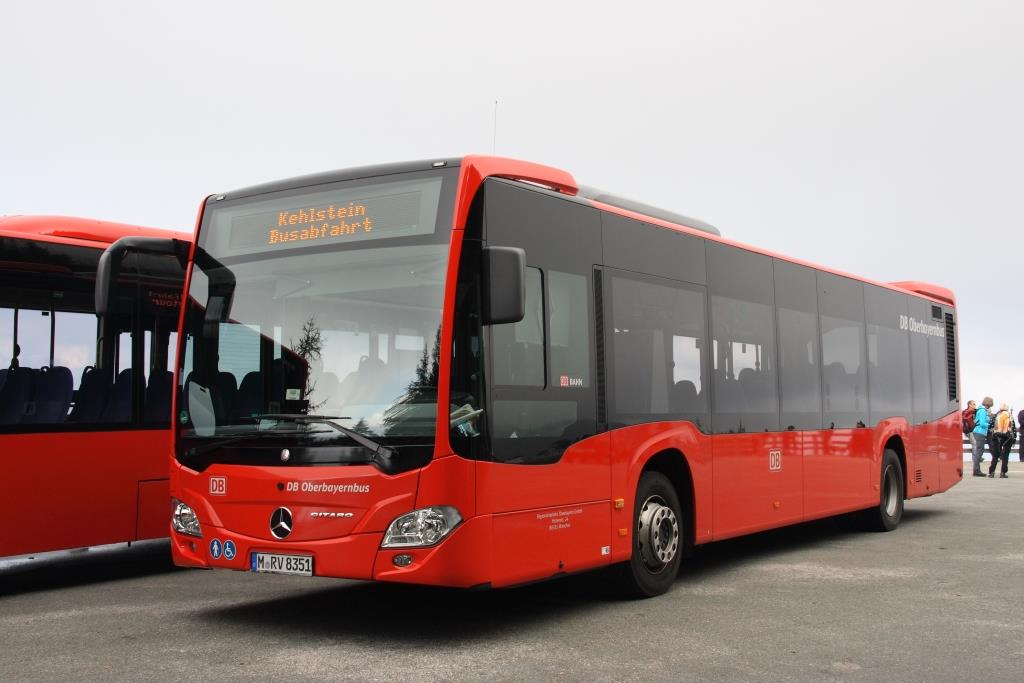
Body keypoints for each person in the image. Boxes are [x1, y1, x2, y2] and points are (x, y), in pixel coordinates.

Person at [988, 403, 1014, 478]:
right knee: (1005, 455)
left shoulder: (996, 415)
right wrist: (1013, 439)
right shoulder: (1010, 415)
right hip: (1007, 437)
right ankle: (1003, 473)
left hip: (997, 436)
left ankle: (991, 472)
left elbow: (991, 426)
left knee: (995, 455)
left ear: (1000, 408)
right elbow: (1013, 428)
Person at [970, 397, 993, 476]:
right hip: (980, 432)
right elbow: (982, 423)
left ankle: (976, 470)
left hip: (978, 432)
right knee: (979, 451)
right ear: (988, 404)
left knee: (979, 450)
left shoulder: (980, 410)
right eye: (990, 405)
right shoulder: (983, 411)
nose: (990, 406)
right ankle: (976, 470)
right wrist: (990, 424)